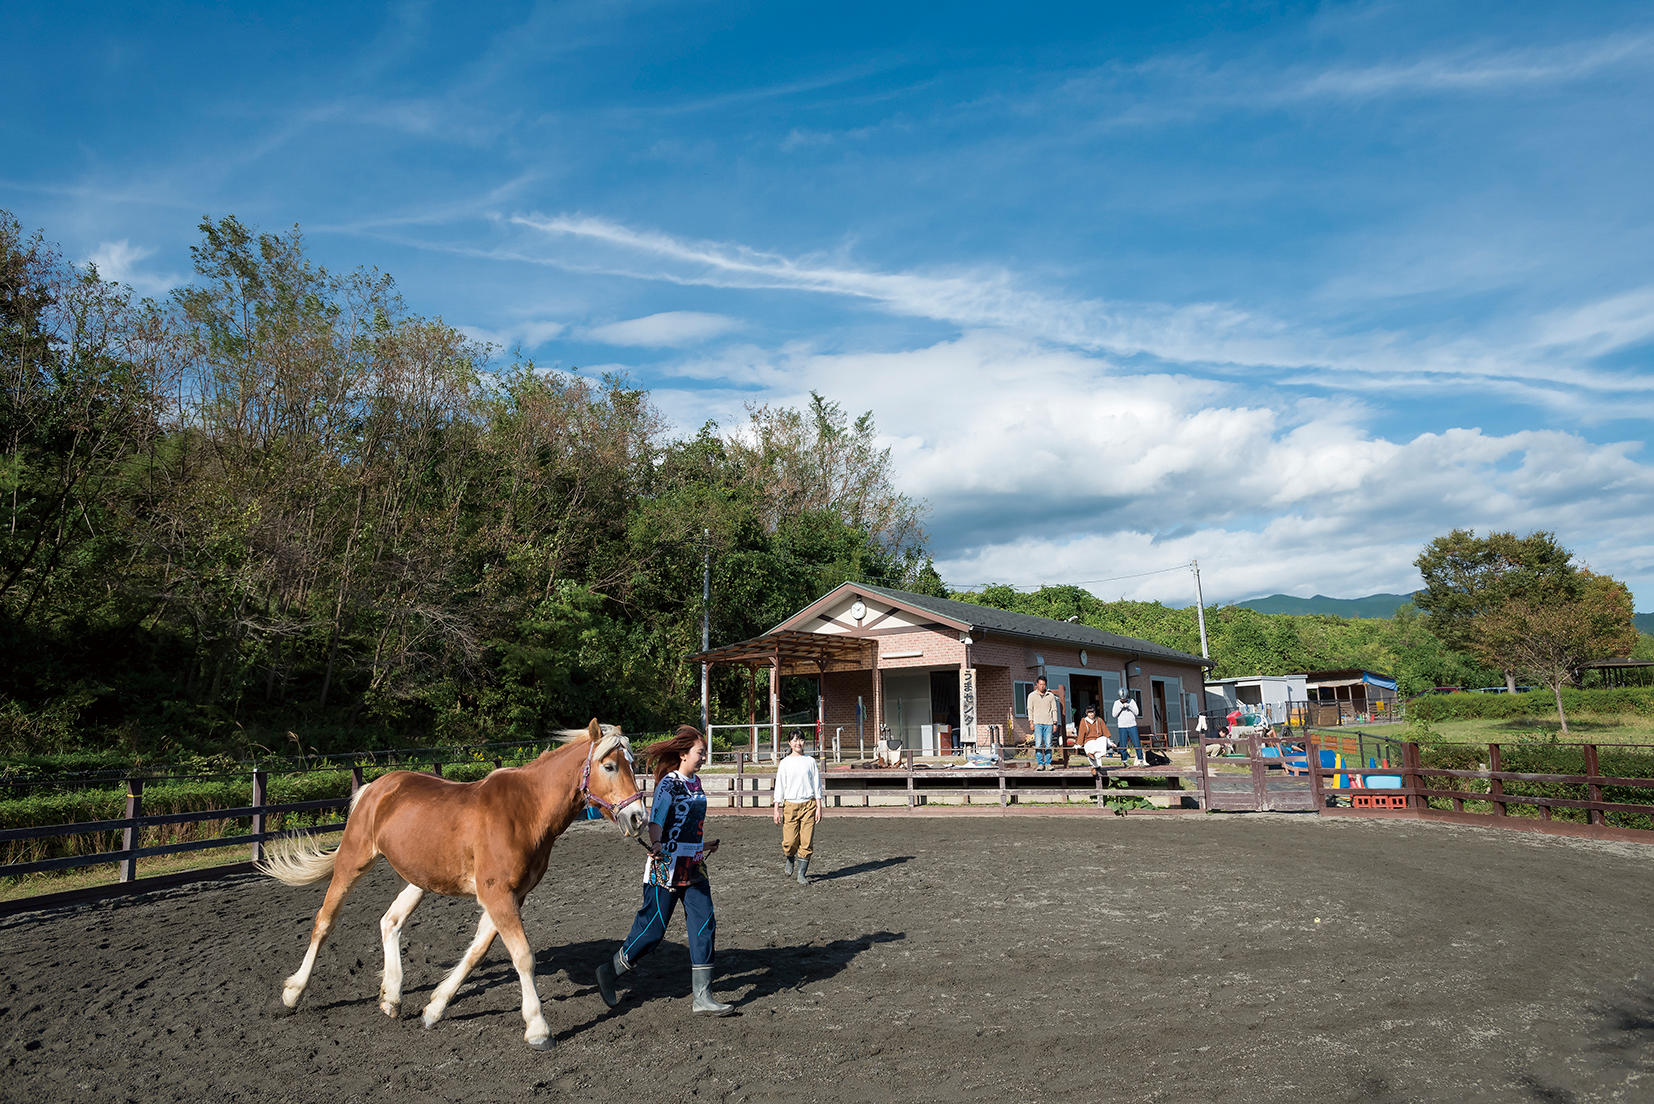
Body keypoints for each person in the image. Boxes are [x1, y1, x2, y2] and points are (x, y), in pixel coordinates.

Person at [595, 725, 733, 1016]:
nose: (703, 757)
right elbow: (657, 820)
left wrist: (704, 843)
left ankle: (702, 996)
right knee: (652, 931)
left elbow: (688, 825)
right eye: (700, 752)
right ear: (683, 754)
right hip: (666, 867)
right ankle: (609, 971)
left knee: (704, 924)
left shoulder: (695, 783)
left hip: (694, 865)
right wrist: (656, 842)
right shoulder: (669, 784)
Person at [772, 732, 824, 885]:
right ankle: (790, 857)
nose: (798, 743)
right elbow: (779, 786)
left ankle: (802, 874)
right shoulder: (785, 763)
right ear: (789, 743)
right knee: (789, 842)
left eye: (801, 739)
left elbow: (817, 785)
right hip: (790, 805)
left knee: (806, 842)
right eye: (795, 740)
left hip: (808, 805)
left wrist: (819, 806)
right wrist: (776, 808)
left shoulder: (810, 761)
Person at [1025, 675, 1061, 771]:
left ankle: (1048, 763)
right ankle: (1040, 763)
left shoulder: (1050, 696)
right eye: (1040, 684)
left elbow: (1054, 709)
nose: (1042, 686)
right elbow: (1030, 710)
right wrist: (1031, 722)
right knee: (1038, 744)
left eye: (1044, 685)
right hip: (1037, 723)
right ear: (1037, 684)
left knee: (1049, 744)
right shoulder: (1032, 696)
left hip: (1048, 723)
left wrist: (1055, 723)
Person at [1076, 702, 1115, 777]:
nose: (1091, 714)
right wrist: (1079, 744)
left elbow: (1105, 732)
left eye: (1092, 712)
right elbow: (1081, 733)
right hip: (1088, 740)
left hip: (1098, 740)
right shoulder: (1083, 721)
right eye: (1089, 713)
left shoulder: (1099, 720)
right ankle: (1094, 766)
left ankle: (1095, 766)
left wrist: (1110, 742)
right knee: (1090, 748)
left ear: (1094, 713)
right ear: (1087, 713)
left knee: (1102, 740)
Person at [1112, 688, 1143, 767]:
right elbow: (1114, 715)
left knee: (1137, 743)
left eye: (1125, 699)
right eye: (1122, 699)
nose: (1124, 700)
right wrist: (1121, 707)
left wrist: (1129, 706)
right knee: (1123, 744)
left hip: (1132, 725)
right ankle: (1124, 761)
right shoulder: (1116, 703)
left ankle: (1140, 760)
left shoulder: (1132, 701)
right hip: (1122, 726)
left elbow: (1137, 712)